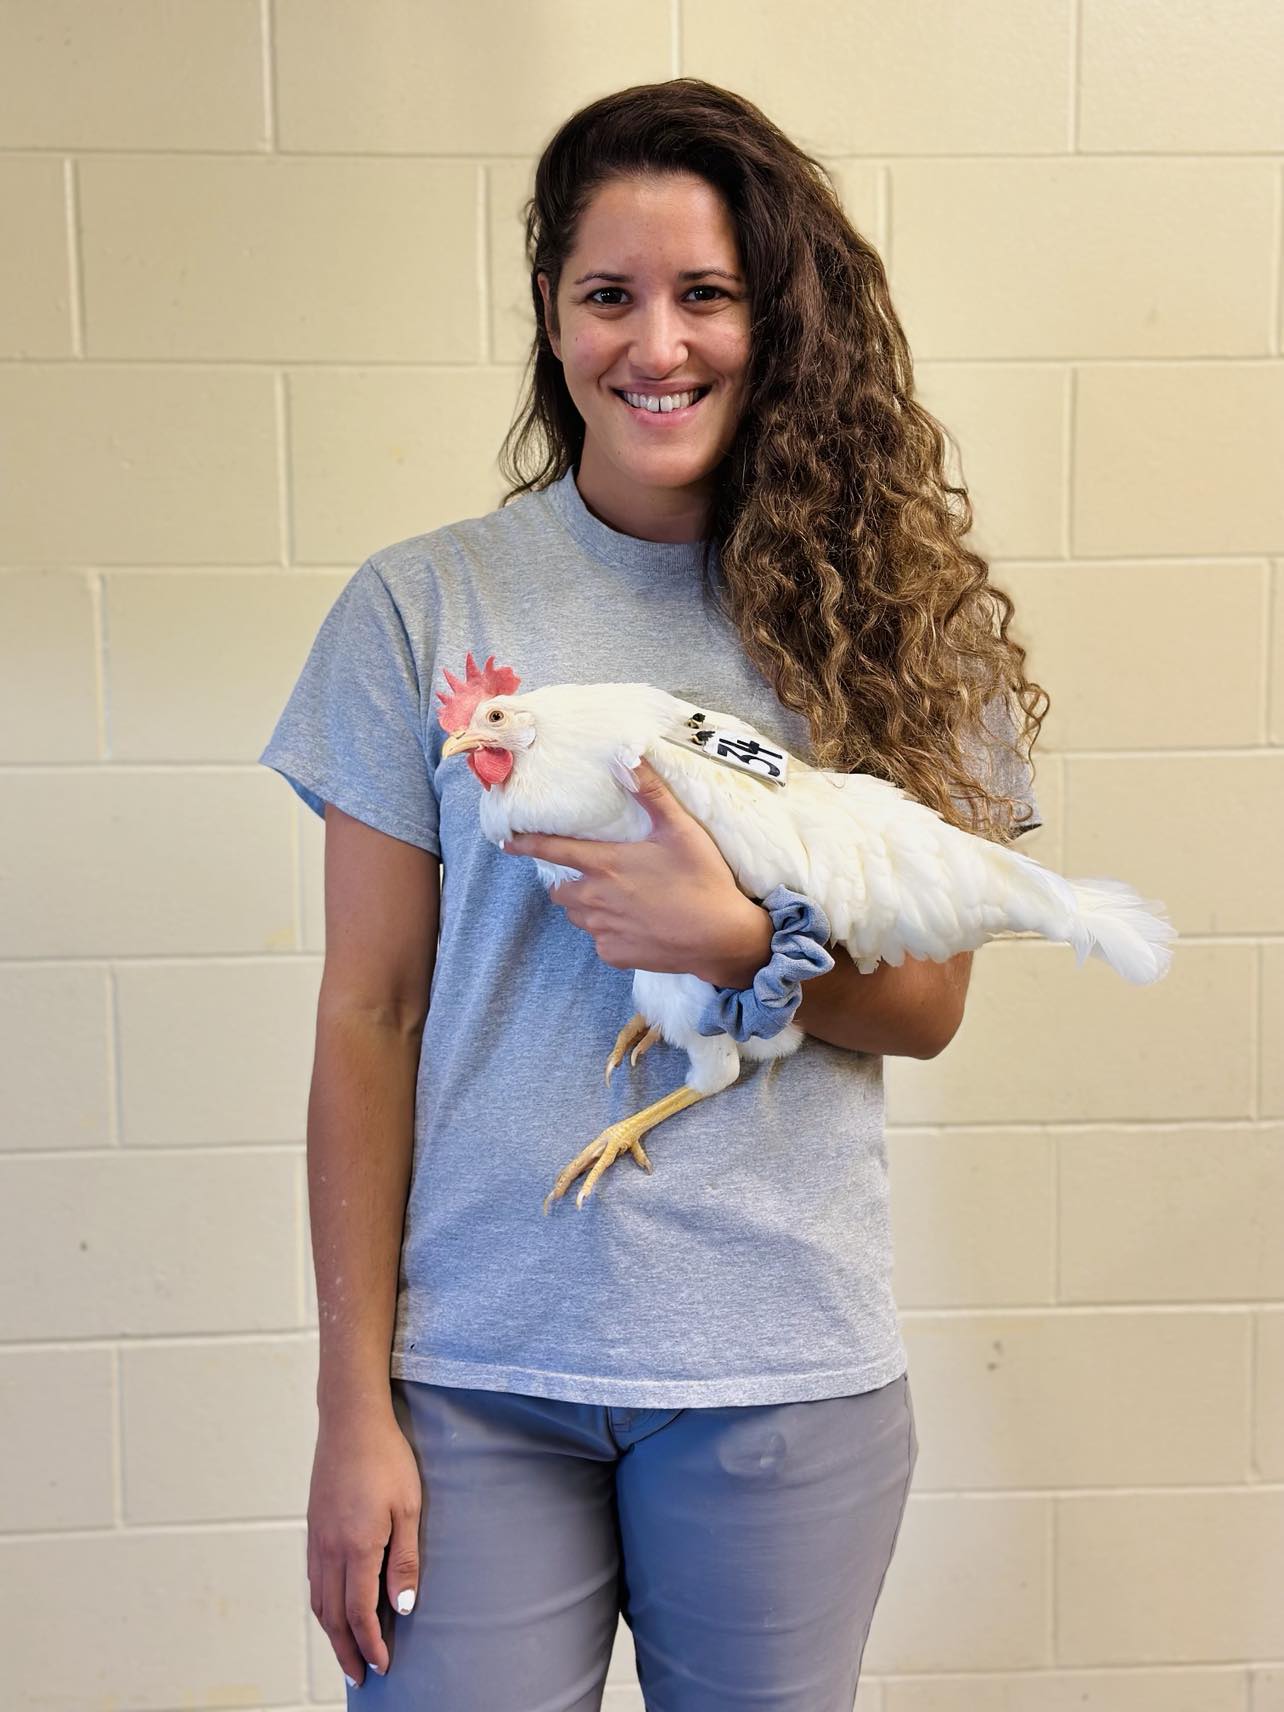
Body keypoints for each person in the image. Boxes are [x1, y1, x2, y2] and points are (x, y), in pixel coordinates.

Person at [259, 77, 1047, 1712]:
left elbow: (932, 1010)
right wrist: (353, 1405)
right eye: (607, 297)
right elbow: (367, 1012)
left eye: (706, 296)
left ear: (777, 320)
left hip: (776, 1373)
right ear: (552, 322)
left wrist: (746, 947)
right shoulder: (423, 607)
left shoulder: (888, 623)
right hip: (473, 1375)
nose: (657, 346)